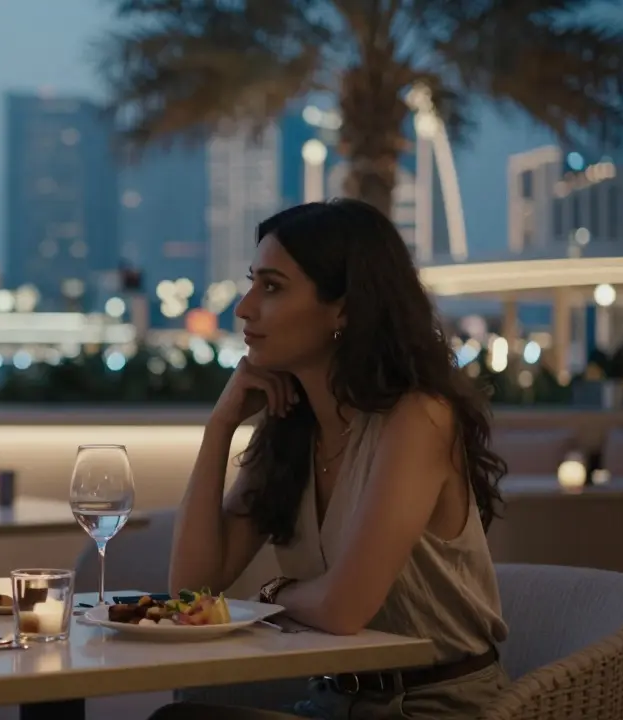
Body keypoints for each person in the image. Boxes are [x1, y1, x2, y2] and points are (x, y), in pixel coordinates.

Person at [151, 200, 510, 720]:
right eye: (253, 282)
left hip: (437, 706)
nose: (244, 307)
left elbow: (344, 610)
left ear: (343, 308)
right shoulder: (290, 428)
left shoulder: (418, 417)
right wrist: (220, 427)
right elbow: (191, 588)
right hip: (336, 701)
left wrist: (274, 591)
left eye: (271, 287)